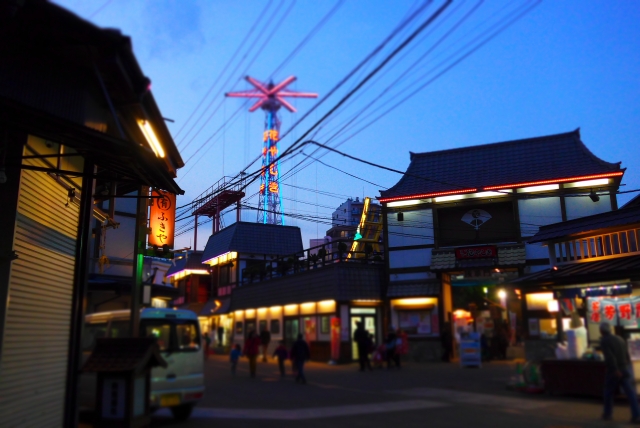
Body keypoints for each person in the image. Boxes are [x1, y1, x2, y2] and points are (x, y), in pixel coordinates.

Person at [600, 322, 640, 422]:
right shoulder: (620, 338)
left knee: (608, 392)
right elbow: (626, 353)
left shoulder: (605, 341)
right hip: (624, 368)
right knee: (630, 393)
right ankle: (636, 415)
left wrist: (615, 369)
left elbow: (610, 357)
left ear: (601, 331)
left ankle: (607, 414)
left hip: (614, 371)